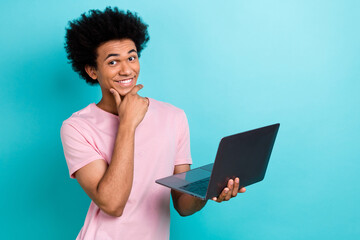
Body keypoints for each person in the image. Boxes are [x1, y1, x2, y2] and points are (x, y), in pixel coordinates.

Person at [60, 7, 246, 240]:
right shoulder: (77, 127)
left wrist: (210, 191)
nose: (127, 69)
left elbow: (183, 204)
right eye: (112, 62)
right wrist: (127, 123)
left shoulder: (173, 116)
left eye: (131, 57)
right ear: (92, 71)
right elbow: (112, 204)